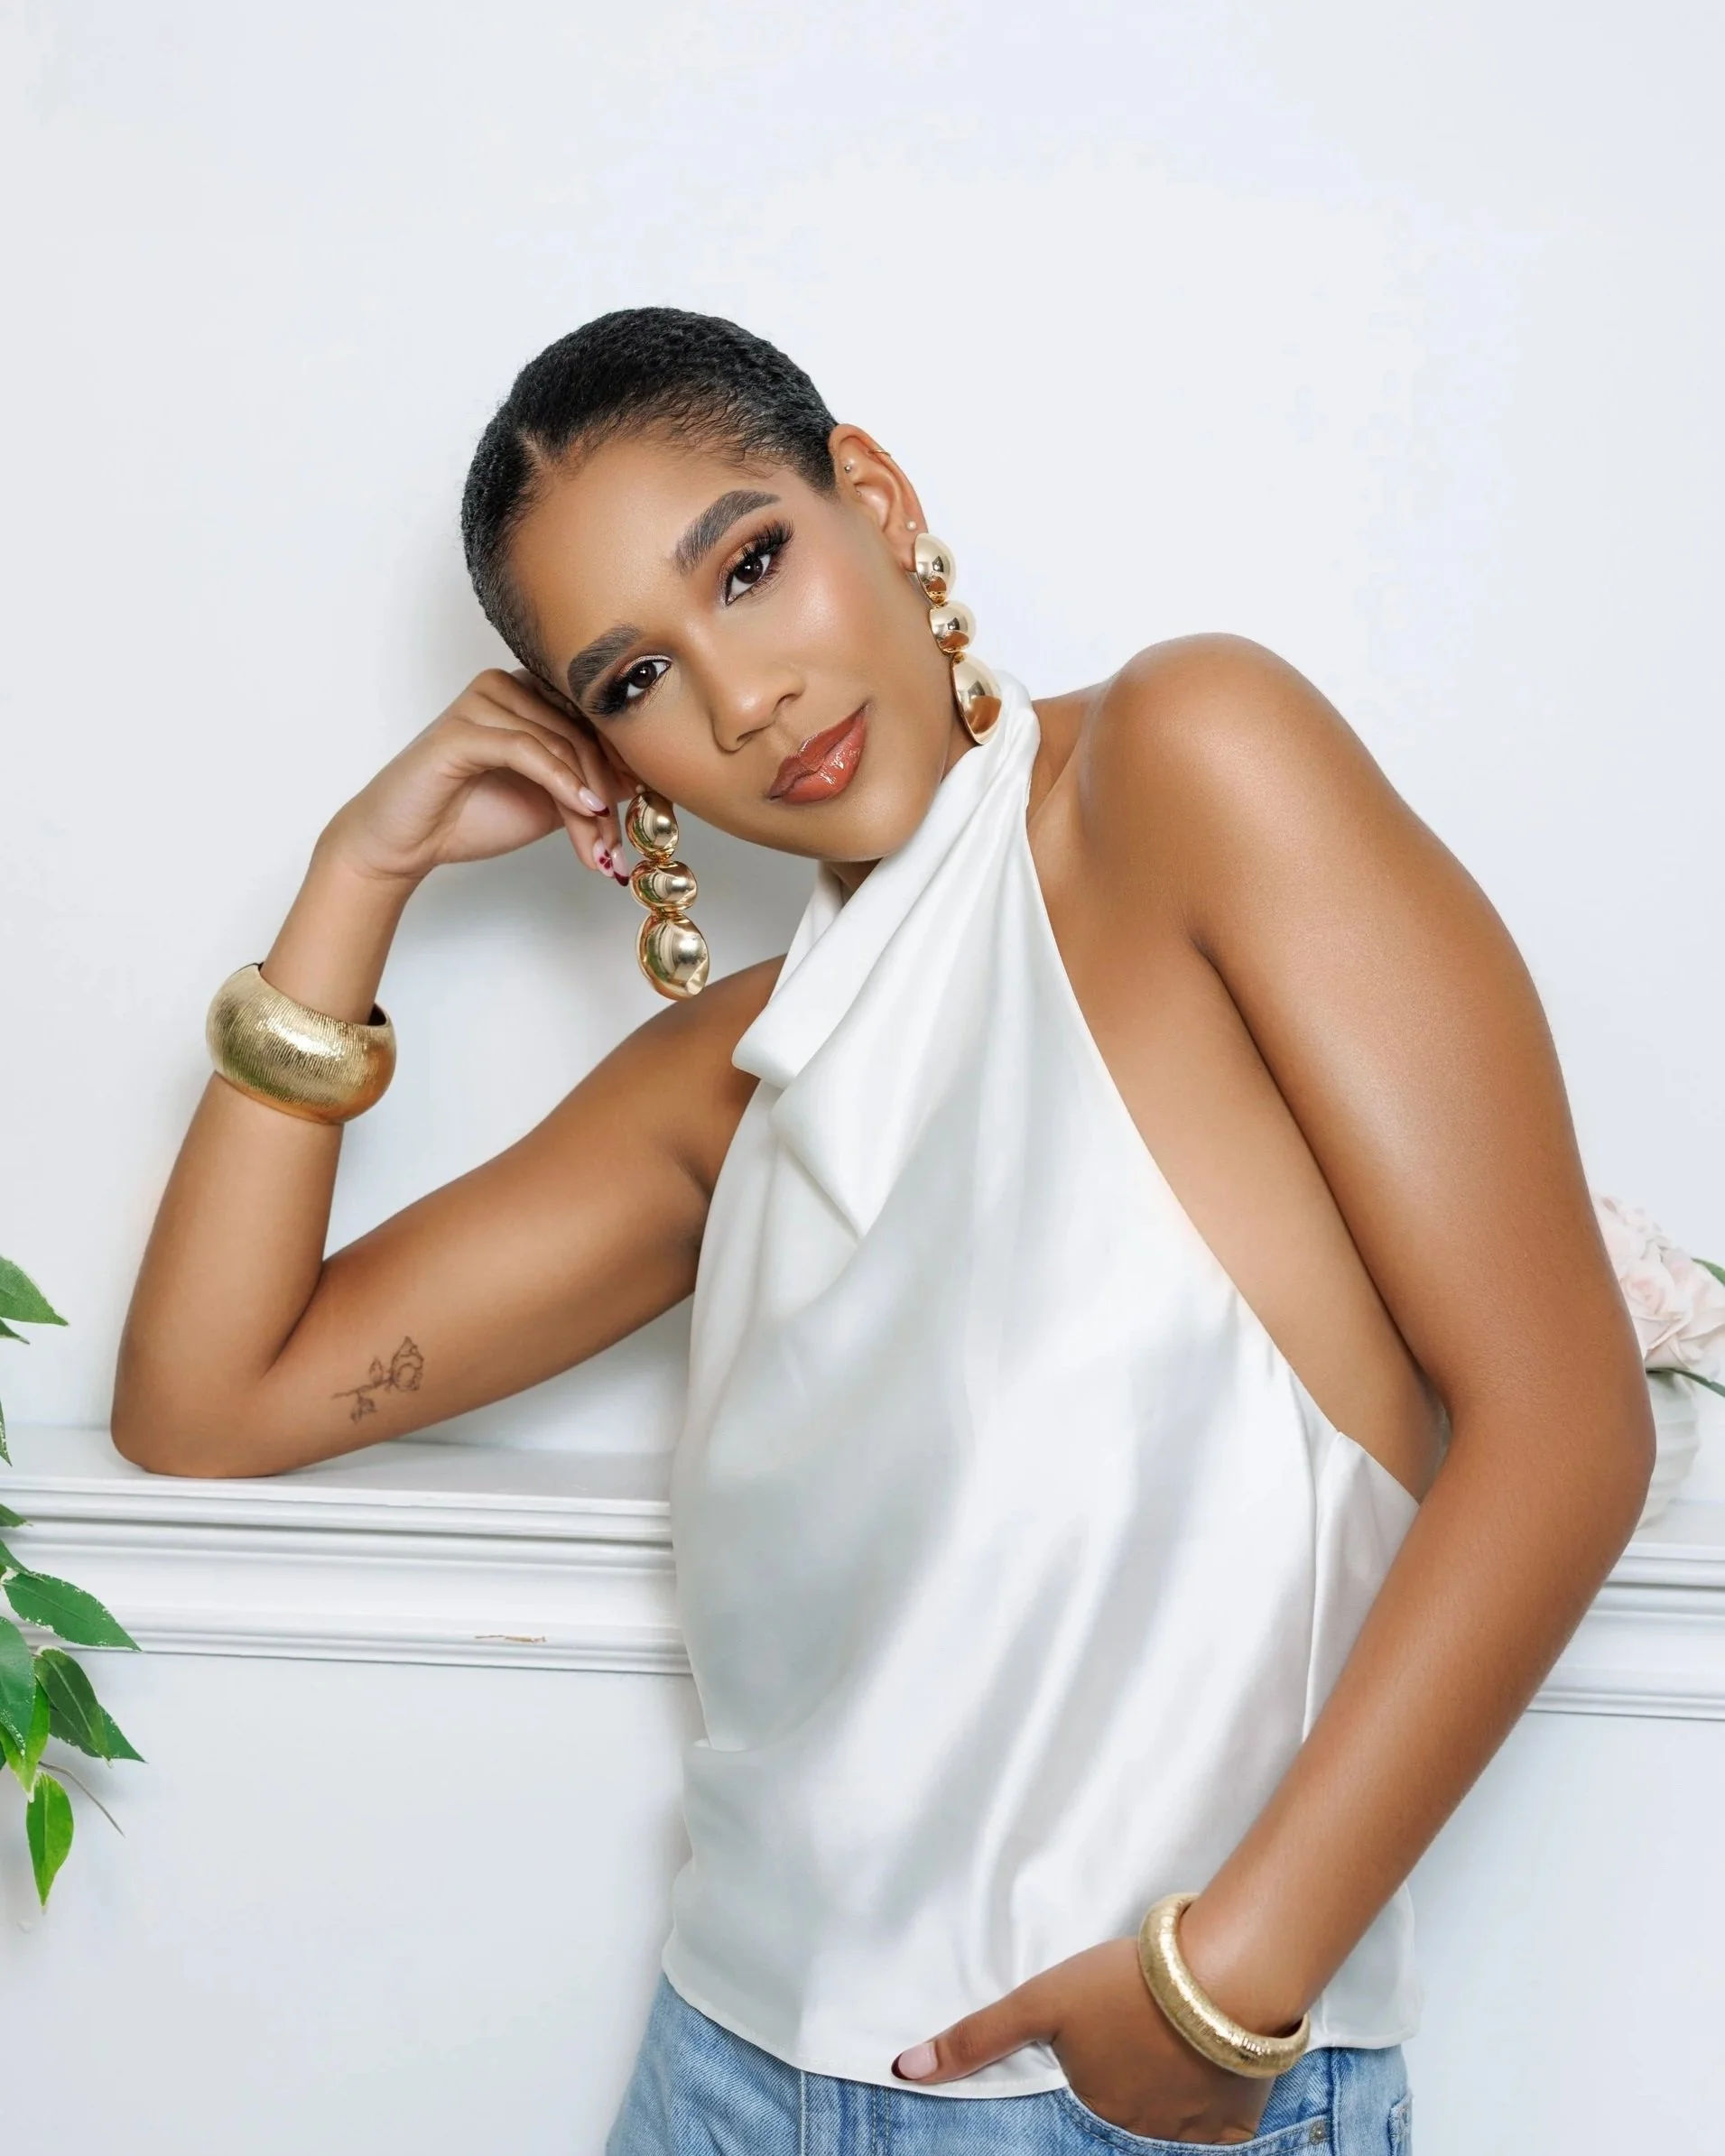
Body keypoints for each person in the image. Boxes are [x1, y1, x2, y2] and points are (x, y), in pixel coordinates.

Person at [113, 308, 1652, 2152]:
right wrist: (354, 875)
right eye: (632, 681)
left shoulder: (1188, 768)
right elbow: (207, 1405)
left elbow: (1565, 1425)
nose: (744, 698)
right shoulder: (730, 1081)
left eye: (751, 565)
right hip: (721, 2075)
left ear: (874, 500)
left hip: (1117, 2099)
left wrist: (1226, 1992)